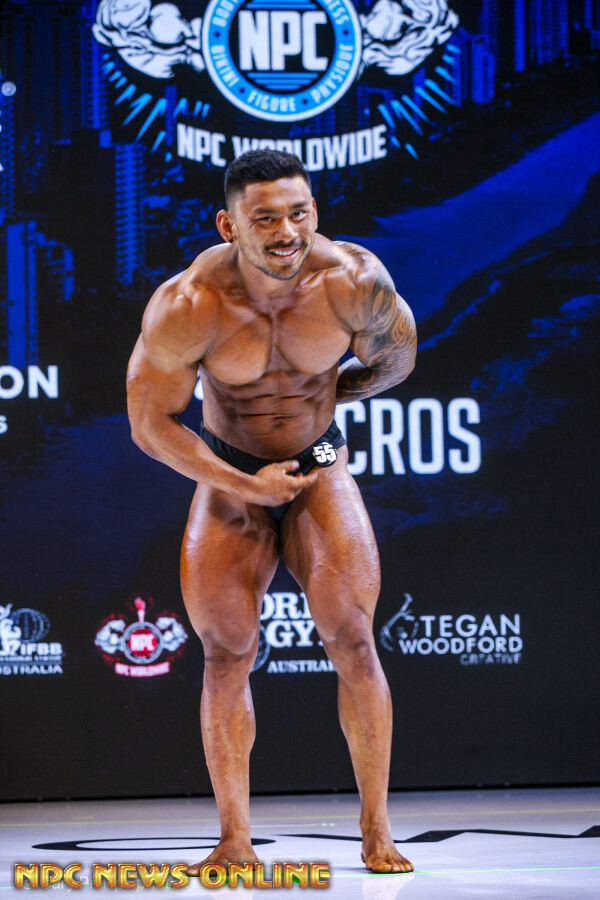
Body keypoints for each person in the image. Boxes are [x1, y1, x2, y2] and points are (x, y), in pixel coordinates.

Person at [126, 149, 417, 875]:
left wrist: (335, 393)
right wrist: (244, 484)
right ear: (229, 225)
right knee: (226, 653)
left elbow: (398, 357)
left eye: (299, 213)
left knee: (355, 641)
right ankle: (235, 839)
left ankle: (377, 830)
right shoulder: (189, 303)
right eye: (265, 219)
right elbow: (150, 424)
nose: (287, 232)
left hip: (318, 466)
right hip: (232, 474)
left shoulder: (354, 280)